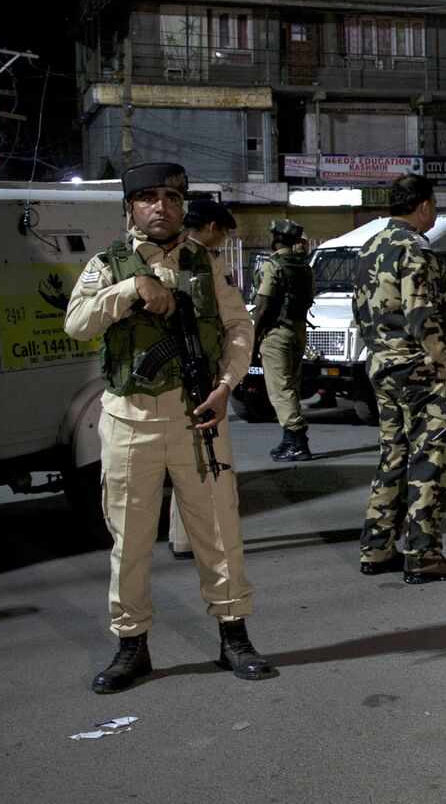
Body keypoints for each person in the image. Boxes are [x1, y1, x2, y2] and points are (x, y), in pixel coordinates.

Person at [64, 162, 274, 693]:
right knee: (130, 539)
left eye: (172, 198)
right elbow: (78, 323)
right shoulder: (109, 264)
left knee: (219, 531)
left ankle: (234, 635)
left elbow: (238, 327)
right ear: (131, 207)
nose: (162, 207)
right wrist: (132, 289)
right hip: (129, 419)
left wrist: (226, 385)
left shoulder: (206, 264)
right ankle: (131, 644)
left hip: (197, 414)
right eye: (149, 198)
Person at [353, 174, 446, 584]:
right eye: (434, 205)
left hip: (383, 367)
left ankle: (376, 547)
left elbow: (362, 313)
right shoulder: (415, 250)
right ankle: (424, 555)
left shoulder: (368, 247)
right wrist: (443, 365)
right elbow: (423, 314)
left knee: (393, 455)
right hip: (422, 370)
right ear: (422, 206)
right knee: (431, 460)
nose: (434, 213)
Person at [165, 197, 238, 562]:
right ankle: (196, 539)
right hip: (197, 372)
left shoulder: (169, 254)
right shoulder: (203, 262)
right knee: (202, 463)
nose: (222, 239)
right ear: (211, 227)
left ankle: (181, 538)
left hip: (172, 375)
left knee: (186, 460)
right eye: (222, 231)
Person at [253, 219, 317, 462]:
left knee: (280, 388)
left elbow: (263, 304)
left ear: (276, 238)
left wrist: (254, 334)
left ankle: (297, 441)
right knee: (292, 385)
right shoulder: (304, 267)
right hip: (298, 329)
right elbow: (310, 298)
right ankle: (288, 440)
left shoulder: (273, 265)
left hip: (276, 332)